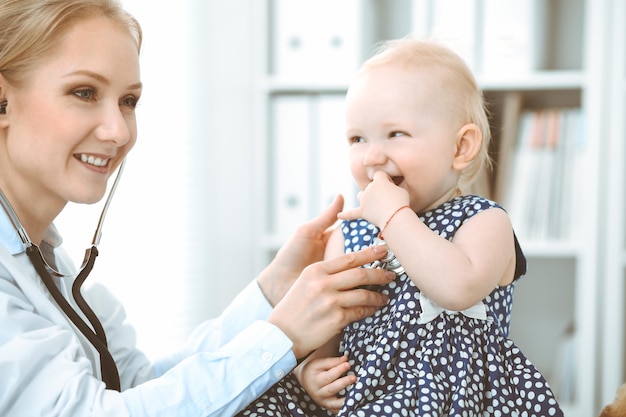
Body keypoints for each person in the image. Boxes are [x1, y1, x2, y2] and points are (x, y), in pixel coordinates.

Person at [0, 1, 395, 416]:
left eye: (129, 101)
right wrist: (283, 336)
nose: (118, 131)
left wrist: (273, 291)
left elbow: (142, 388)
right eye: (84, 93)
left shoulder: (44, 261)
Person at [237, 39, 564, 416]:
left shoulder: (485, 220)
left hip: (457, 397)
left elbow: (457, 288)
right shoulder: (349, 235)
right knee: (258, 402)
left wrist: (393, 218)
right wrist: (312, 369)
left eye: (396, 134)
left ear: (461, 148)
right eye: (357, 139)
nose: (372, 156)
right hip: (365, 390)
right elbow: (324, 325)